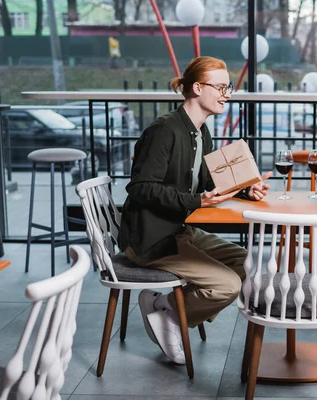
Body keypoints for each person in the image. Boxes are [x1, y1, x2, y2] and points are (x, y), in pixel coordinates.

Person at [118, 56, 271, 365]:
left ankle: (168, 310)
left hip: (178, 230)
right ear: (197, 88)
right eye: (221, 87)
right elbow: (140, 187)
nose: (227, 93)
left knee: (247, 262)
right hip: (150, 239)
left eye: (228, 87)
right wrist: (196, 202)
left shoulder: (201, 133)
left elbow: (208, 180)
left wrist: (247, 189)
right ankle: (171, 316)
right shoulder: (164, 130)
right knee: (227, 285)